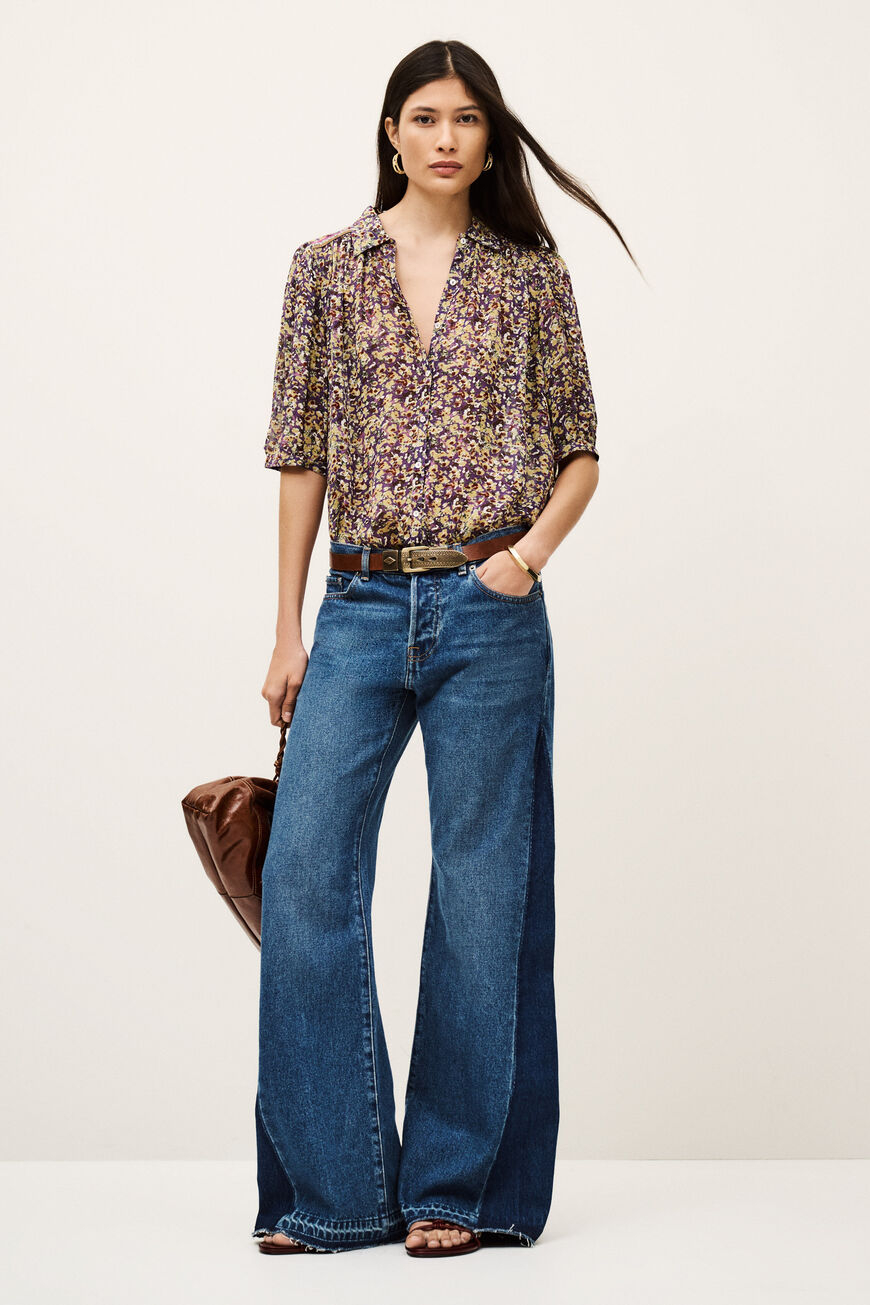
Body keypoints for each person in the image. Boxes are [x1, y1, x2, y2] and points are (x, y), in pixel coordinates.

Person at [253, 39, 637, 1258]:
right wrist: (287, 626)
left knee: (483, 898)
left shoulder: (529, 276)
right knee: (304, 880)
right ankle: (333, 1191)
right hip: (359, 605)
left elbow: (581, 450)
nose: (446, 138)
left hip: (489, 609)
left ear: (489, 138)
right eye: (424, 117)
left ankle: (456, 1191)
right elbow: (300, 453)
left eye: (467, 119)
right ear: (390, 131)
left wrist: (525, 559)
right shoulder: (325, 270)